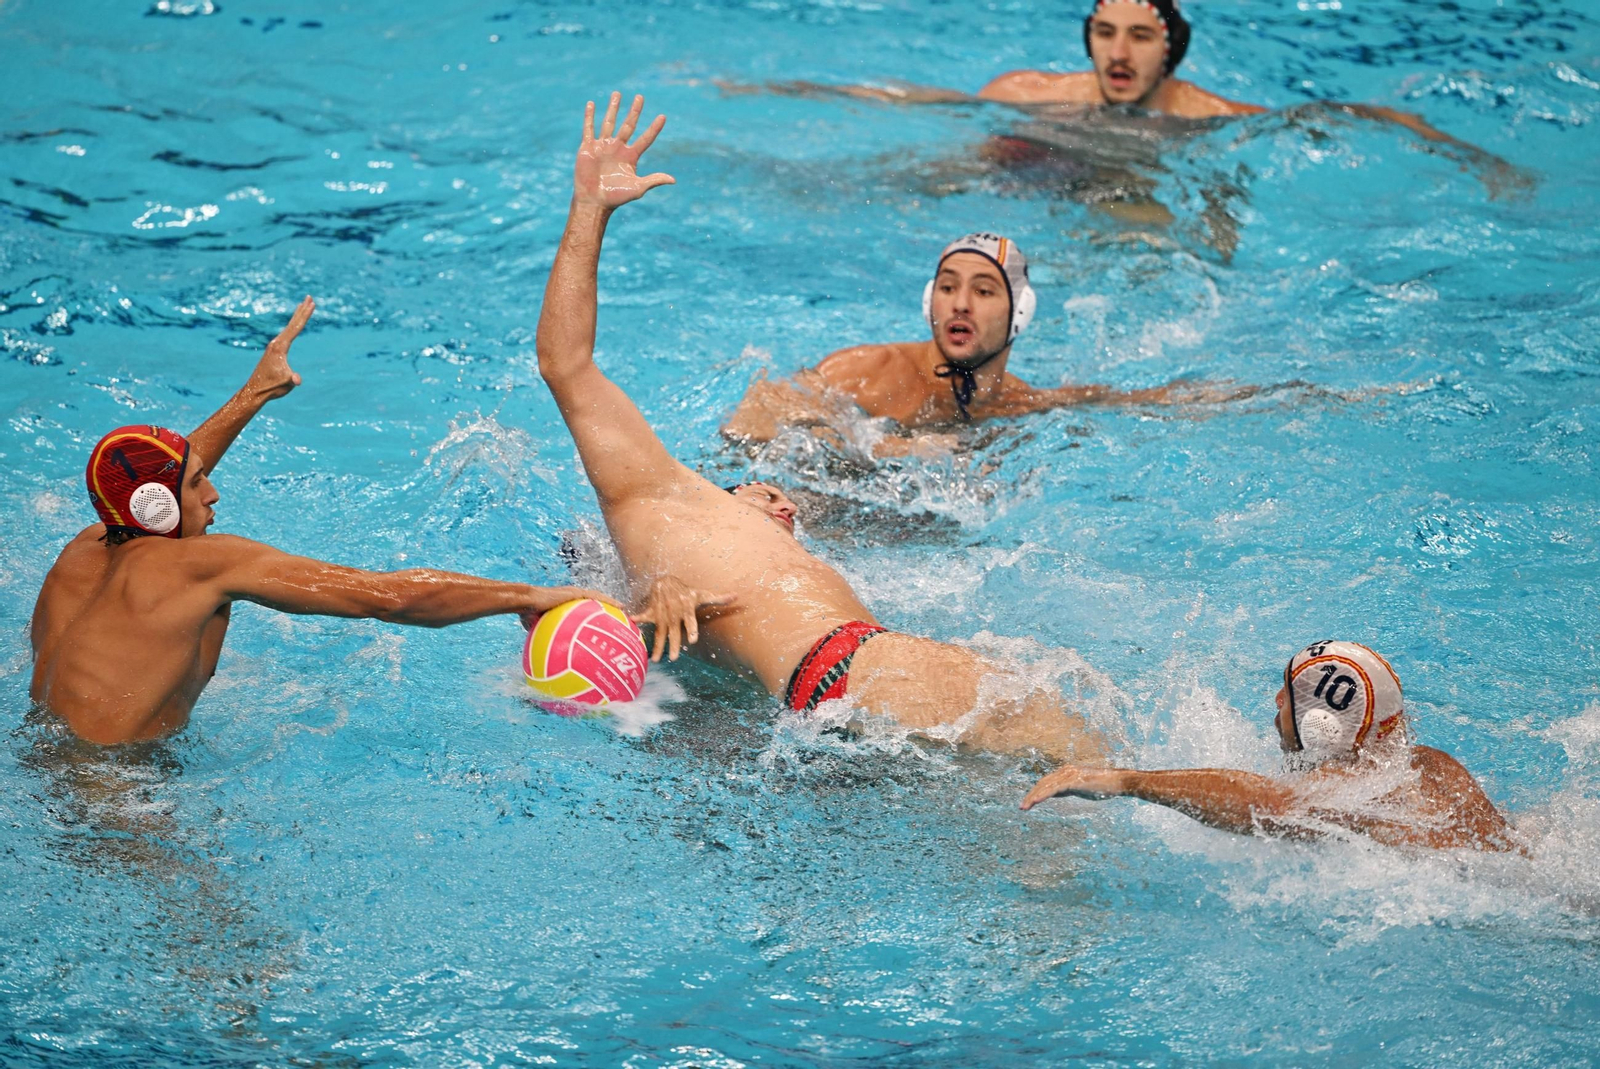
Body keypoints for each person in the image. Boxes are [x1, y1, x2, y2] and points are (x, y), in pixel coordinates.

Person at [534, 91, 1104, 762]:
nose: (788, 505)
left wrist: (658, 597)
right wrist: (589, 211)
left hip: (825, 712)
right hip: (853, 668)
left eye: (984, 291)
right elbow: (565, 365)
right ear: (738, 490)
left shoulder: (731, 571)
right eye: (769, 492)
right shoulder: (666, 497)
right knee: (1077, 744)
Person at [28, 299, 697, 746]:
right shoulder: (199, 564)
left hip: (47, 766)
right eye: (198, 485)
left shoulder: (83, 549)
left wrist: (256, 392)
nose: (215, 492)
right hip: (123, 799)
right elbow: (389, 597)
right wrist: (531, 595)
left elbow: (167, 477)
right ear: (158, 509)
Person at [743, 0, 1524, 196]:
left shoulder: (1204, 116)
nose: (1120, 53)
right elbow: (921, 101)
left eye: (1141, 36)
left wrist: (1473, 157)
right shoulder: (1029, 93)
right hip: (1033, 163)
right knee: (913, 179)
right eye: (1106, 33)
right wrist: (789, 88)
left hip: (1128, 181)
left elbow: (1353, 116)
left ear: (1171, 48)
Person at [721, 231, 1253, 452]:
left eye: (983, 291)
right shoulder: (869, 368)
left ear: (1019, 313)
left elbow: (1115, 399)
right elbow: (751, 421)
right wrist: (889, 448)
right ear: (929, 301)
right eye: (947, 287)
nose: (960, 304)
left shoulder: (1015, 401)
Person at [1021, 640, 1517, 852]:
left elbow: (1269, 806)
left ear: (1319, 724)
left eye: (1289, 695)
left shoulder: (1347, 783)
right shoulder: (1433, 765)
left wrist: (1123, 780)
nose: (1277, 701)